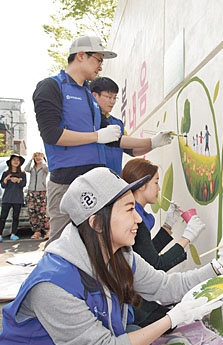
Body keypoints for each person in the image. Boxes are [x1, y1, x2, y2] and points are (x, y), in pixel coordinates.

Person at [0, 167, 223, 345]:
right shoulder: (53, 285)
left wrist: (217, 267)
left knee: (134, 338)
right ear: (96, 223)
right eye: (129, 209)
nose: (138, 220)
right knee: (132, 341)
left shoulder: (121, 256)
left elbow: (164, 286)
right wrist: (172, 319)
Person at [33, 35, 174, 244]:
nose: (100, 67)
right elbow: (51, 134)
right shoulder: (51, 87)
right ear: (81, 56)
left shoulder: (89, 97)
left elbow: (113, 139)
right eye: (98, 60)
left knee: (97, 243)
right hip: (65, 182)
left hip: (95, 181)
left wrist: (152, 143)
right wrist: (96, 136)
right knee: (61, 243)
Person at [121, 158, 206, 328]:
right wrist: (187, 236)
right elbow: (156, 265)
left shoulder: (135, 211)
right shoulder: (135, 219)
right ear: (142, 185)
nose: (159, 188)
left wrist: (168, 224)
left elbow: (145, 251)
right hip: (132, 302)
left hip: (133, 292)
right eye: (156, 182)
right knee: (176, 320)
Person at [90, 76, 156, 173]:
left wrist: (154, 144)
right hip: (94, 179)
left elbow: (132, 150)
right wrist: (150, 141)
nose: (112, 102)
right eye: (109, 97)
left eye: (114, 98)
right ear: (94, 95)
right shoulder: (87, 120)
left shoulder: (117, 123)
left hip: (116, 180)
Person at [0, 154, 26, 242]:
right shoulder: (5, 173)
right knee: (3, 217)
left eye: (18, 160)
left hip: (18, 198)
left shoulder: (22, 173)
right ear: (10, 162)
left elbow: (23, 184)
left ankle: (13, 234)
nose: (16, 162)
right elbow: (3, 185)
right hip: (7, 198)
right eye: (14, 160)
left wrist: (18, 181)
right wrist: (6, 180)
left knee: (16, 217)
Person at [24, 152, 50, 240]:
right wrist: (31, 159)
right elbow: (26, 169)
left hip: (41, 191)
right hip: (31, 191)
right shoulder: (32, 168)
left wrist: (42, 159)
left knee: (42, 212)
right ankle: (37, 231)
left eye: (39, 156)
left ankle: (47, 231)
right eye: (36, 156)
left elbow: (47, 169)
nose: (37, 158)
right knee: (32, 212)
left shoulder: (43, 167)